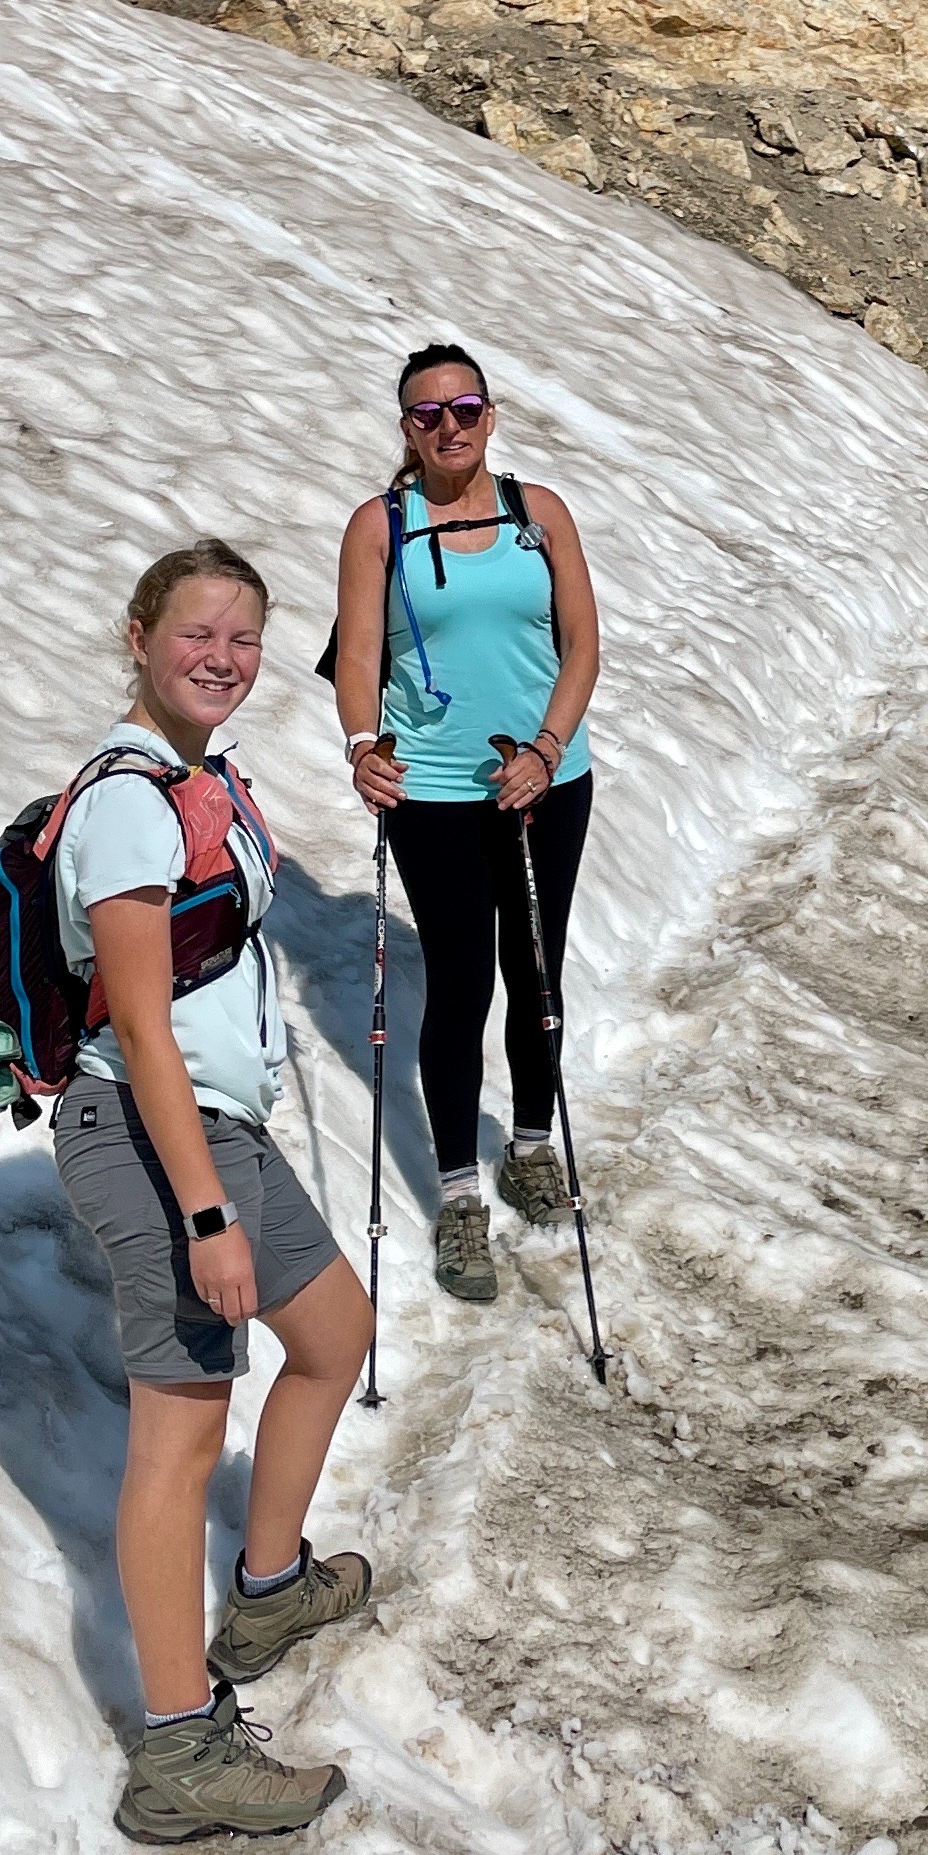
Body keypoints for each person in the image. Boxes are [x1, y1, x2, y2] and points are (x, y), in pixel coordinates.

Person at [51, 538, 376, 1843]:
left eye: (243, 639)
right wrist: (202, 1214)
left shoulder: (202, 781)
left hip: (217, 1124)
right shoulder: (128, 799)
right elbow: (137, 1026)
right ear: (139, 635)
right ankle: (179, 1749)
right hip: (149, 1136)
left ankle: (269, 1585)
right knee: (179, 1437)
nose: (223, 658)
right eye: (197, 633)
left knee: (334, 1332)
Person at [333, 346, 600, 1303]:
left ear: (492, 414)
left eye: (466, 405)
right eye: (426, 413)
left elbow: (582, 646)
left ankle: (531, 1146)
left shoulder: (542, 513)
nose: (449, 425)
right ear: (405, 427)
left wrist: (545, 748)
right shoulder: (381, 527)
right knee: (459, 980)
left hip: (547, 778)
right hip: (436, 788)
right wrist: (364, 742)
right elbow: (359, 651)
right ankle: (457, 1195)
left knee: (537, 965)